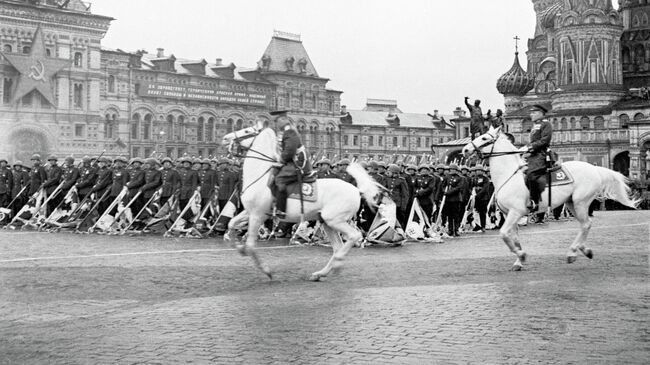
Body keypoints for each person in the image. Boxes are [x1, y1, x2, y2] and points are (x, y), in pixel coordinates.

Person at [273, 111, 312, 219]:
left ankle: (281, 209)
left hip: (298, 163)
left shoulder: (289, 131)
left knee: (280, 179)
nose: (276, 124)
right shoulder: (286, 131)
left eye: (277, 121)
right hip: (292, 161)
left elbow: (290, 151)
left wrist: (281, 160)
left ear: (283, 120)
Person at [524, 104, 553, 212]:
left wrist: (531, 147)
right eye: (531, 112)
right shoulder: (535, 125)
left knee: (532, 174)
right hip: (533, 154)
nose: (531, 114)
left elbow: (545, 140)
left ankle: (534, 201)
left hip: (541, 154)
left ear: (541, 113)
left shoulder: (546, 124)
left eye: (534, 112)